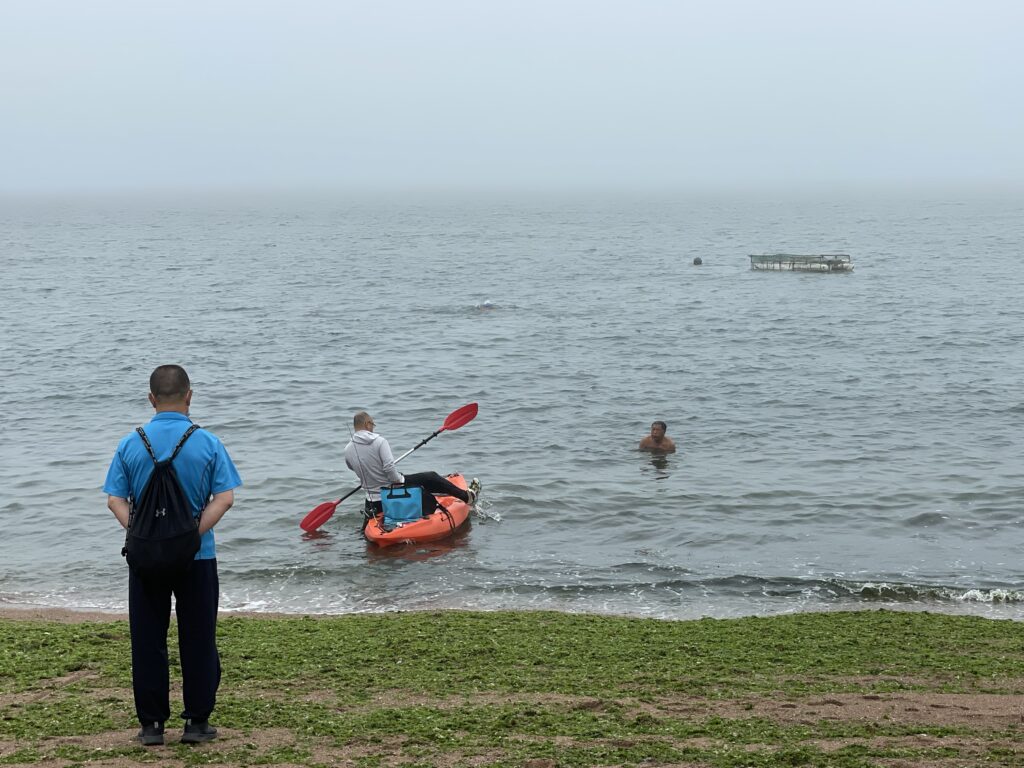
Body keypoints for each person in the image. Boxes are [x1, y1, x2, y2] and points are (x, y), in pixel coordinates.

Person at [103, 365, 242, 747]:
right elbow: (225, 499)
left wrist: (146, 534)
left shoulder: (131, 443)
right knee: (198, 638)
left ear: (151, 399)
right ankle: (197, 723)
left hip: (145, 557)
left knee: (148, 639)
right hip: (196, 557)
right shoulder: (208, 442)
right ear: (189, 396)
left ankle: (152, 727)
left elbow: (114, 499)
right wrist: (186, 535)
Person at [344, 411, 478, 519]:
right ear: (367, 424)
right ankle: (467, 497)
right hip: (392, 491)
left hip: (372, 501)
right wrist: (399, 480)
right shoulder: (379, 441)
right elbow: (389, 468)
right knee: (430, 477)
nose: (373, 428)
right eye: (373, 424)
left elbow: (352, 467)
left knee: (421, 480)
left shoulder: (348, 449)